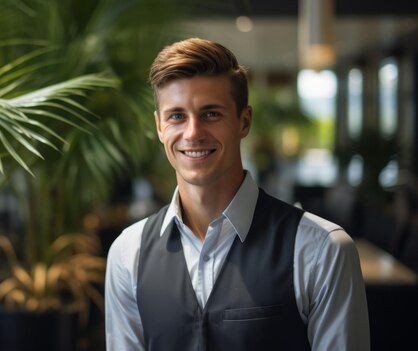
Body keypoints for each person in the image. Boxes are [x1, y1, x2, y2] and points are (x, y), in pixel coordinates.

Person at [104, 38, 370, 351]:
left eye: (211, 114)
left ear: (244, 121)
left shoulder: (321, 251)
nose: (192, 133)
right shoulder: (127, 254)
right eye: (176, 115)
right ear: (159, 126)